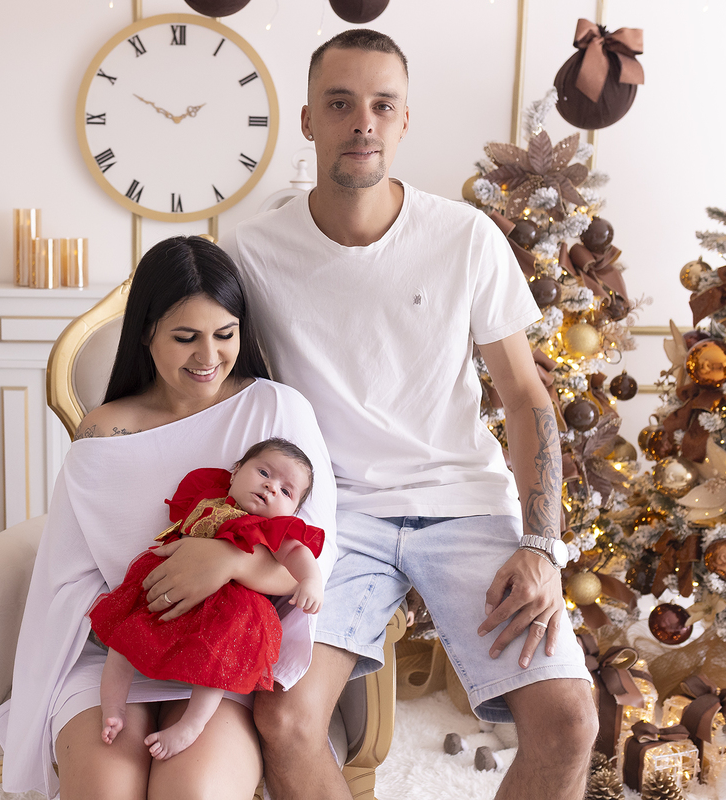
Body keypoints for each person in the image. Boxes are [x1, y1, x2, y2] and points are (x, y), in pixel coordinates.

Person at [218, 29, 599, 800]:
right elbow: (210, 383)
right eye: (339, 103)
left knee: (569, 722)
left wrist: (542, 545)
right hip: (334, 514)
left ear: (403, 121)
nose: (363, 121)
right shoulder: (249, 250)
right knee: (285, 721)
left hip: (464, 503)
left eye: (382, 105)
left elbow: (525, 396)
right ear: (307, 121)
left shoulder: (464, 237)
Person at [0, 236, 338, 800]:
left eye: (225, 334)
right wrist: (137, 614)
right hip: (113, 649)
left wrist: (226, 563)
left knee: (191, 792)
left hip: (221, 654)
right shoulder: (105, 429)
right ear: (146, 331)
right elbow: (68, 573)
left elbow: (313, 561)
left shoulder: (278, 410)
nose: (208, 357)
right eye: (185, 337)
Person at [89, 437, 325, 761]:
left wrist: (311, 581)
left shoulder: (272, 529)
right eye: (264, 473)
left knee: (220, 661)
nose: (271, 487)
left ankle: (191, 725)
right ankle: (113, 707)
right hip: (171, 581)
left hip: (227, 607)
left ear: (294, 511)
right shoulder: (207, 495)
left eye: (286, 491)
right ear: (235, 472)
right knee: (124, 637)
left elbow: (298, 553)